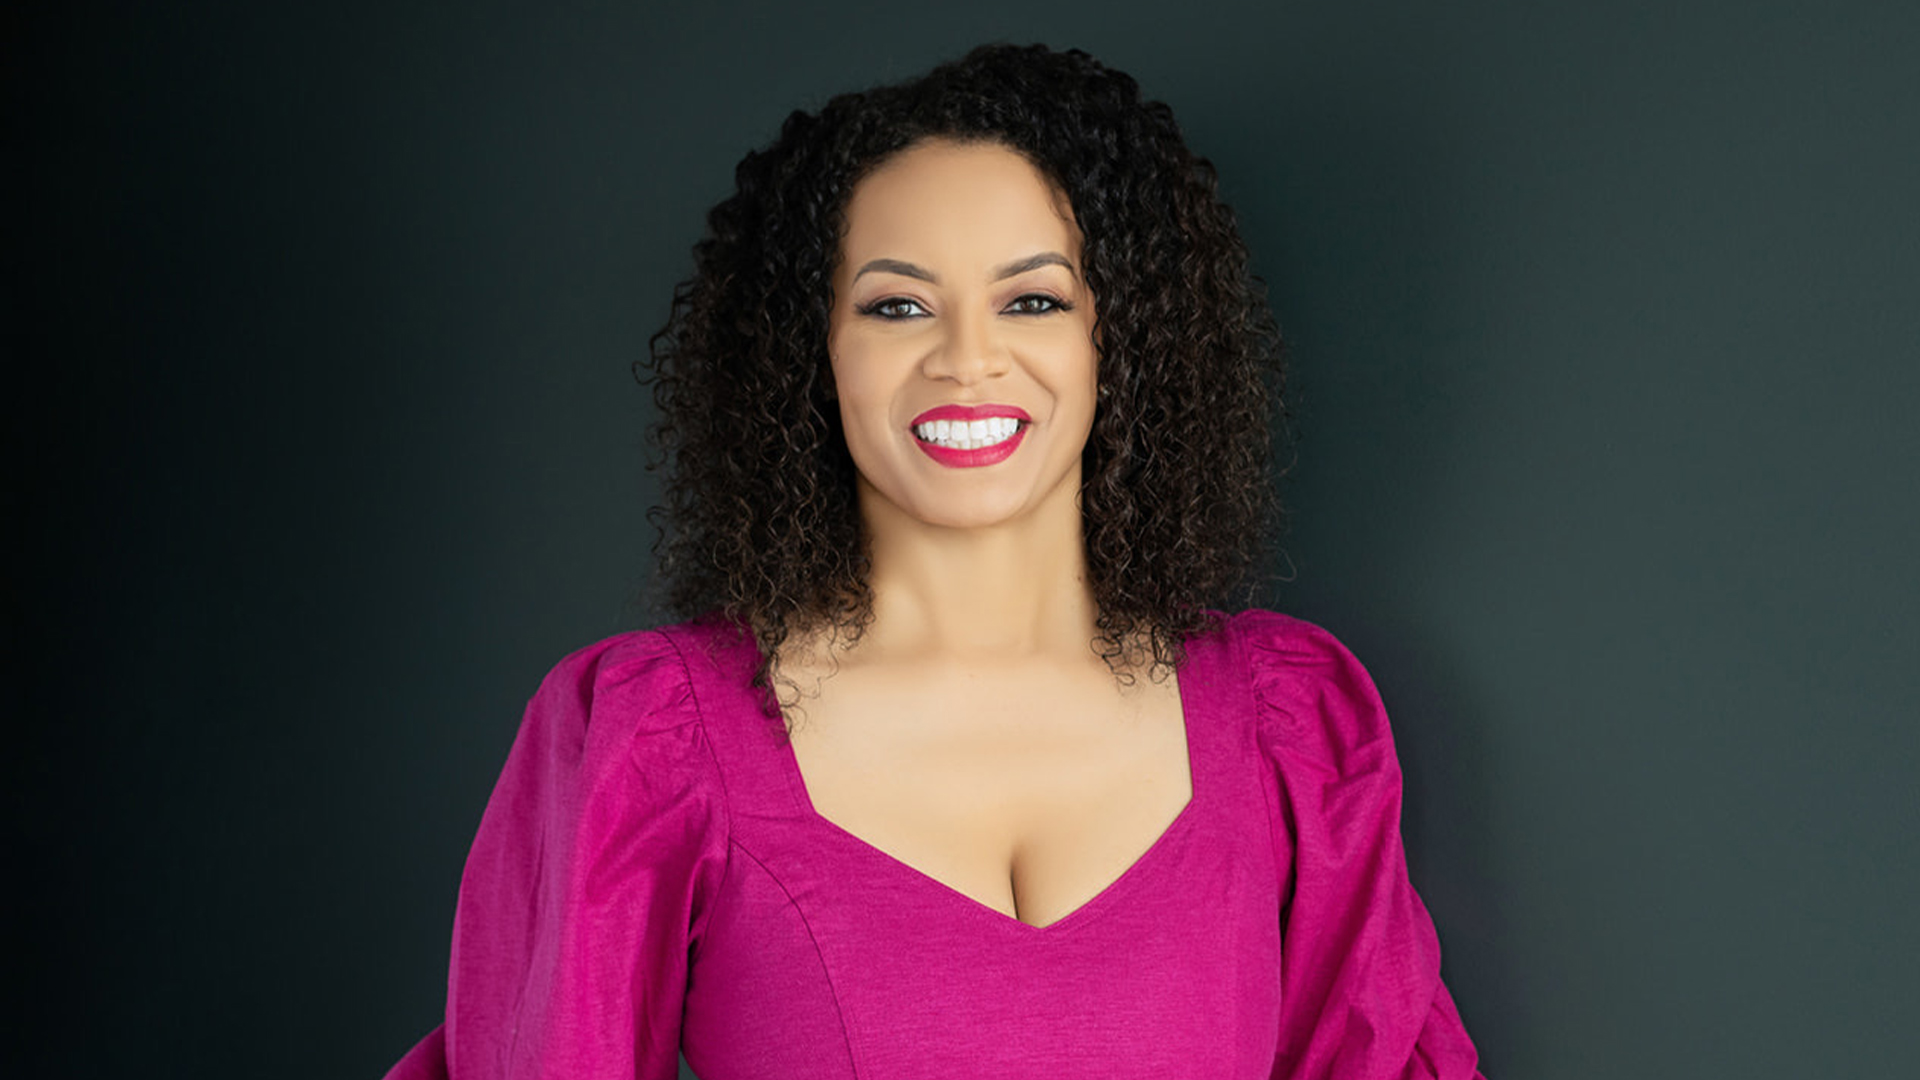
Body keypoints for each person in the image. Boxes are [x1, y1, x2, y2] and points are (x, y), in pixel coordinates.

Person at [386, 43, 1483, 1080]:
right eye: (898, 305)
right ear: (815, 352)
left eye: (1034, 300)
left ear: (1122, 340)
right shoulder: (651, 741)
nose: (967, 358)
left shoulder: (1292, 730)